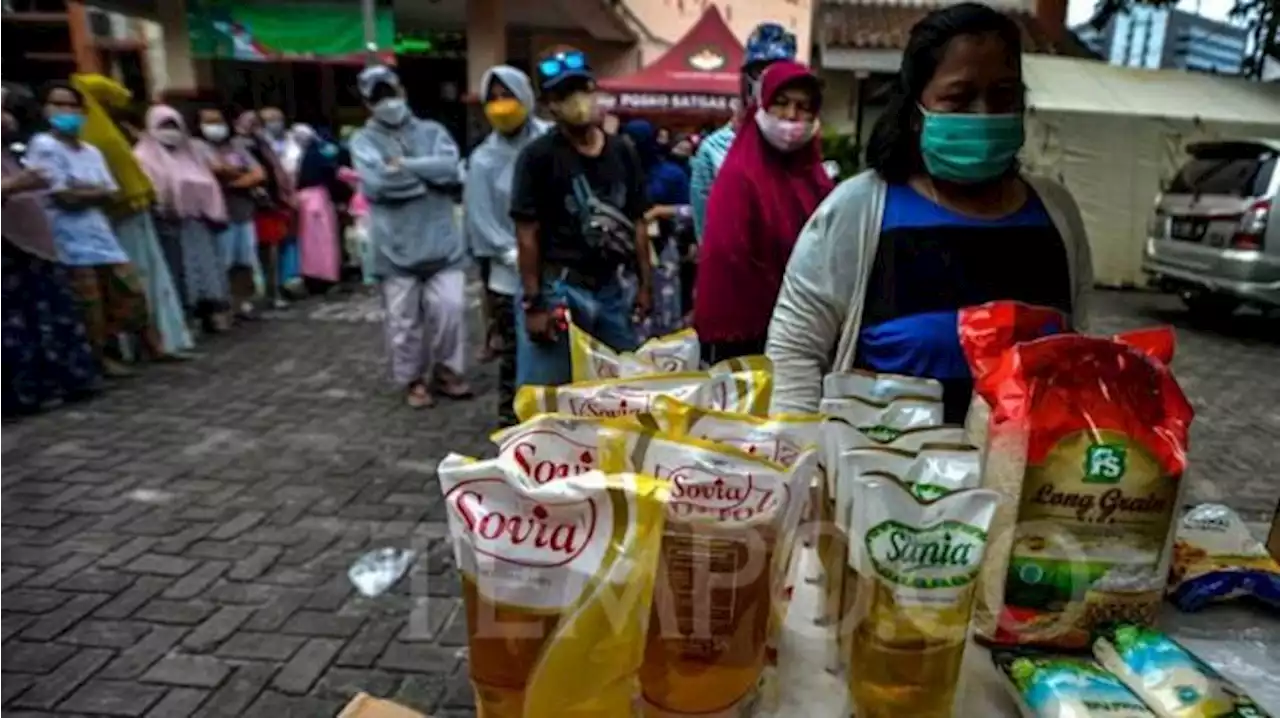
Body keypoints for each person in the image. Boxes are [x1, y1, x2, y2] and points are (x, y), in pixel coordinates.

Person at [766, 3, 1094, 420]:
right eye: (959, 98)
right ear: (916, 111)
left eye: (1003, 95)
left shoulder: (1055, 214)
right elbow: (795, 351)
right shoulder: (860, 210)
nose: (984, 114)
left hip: (1021, 480)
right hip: (882, 476)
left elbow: (1080, 348)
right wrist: (800, 454)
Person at [509, 48, 653, 388]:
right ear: (551, 107)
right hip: (559, 290)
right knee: (548, 398)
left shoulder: (623, 151)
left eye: (583, 89)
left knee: (622, 392)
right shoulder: (537, 157)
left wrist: (646, 285)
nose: (578, 100)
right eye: (564, 94)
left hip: (611, 290)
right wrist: (534, 303)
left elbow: (639, 223)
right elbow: (526, 233)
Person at [695, 61, 833, 365]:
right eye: (781, 103)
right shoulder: (739, 175)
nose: (791, 116)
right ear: (761, 106)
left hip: (803, 330)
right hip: (744, 333)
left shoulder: (814, 177)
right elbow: (729, 254)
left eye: (803, 106)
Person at [350, 65, 472, 409]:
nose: (387, 101)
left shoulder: (433, 130)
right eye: (378, 96)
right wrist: (428, 176)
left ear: (402, 91)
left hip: (442, 245)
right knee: (404, 323)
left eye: (390, 92)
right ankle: (414, 379)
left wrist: (404, 166)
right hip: (394, 248)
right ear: (367, 102)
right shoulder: (363, 140)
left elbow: (452, 170)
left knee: (451, 309)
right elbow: (376, 184)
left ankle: (448, 371)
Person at [27, 82, 155, 377]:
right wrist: (89, 191)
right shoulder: (43, 146)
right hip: (69, 242)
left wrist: (82, 190)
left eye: (73, 106)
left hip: (102, 237)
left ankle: (118, 350)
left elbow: (110, 191)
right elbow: (64, 197)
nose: (67, 112)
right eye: (59, 105)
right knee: (88, 307)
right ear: (45, 109)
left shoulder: (91, 152)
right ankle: (96, 361)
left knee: (128, 295)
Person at [73, 73, 193, 358]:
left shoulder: (104, 133)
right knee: (127, 283)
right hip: (109, 218)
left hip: (133, 210)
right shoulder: (87, 132)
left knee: (146, 279)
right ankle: (128, 346)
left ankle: (157, 340)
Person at [0, 81, 98, 415]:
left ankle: (61, 381)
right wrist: (14, 186)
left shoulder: (11, 152)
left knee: (49, 317)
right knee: (15, 327)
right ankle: (24, 393)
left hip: (33, 252)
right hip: (8, 255)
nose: (7, 119)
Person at [465, 64, 551, 427]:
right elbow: (481, 220)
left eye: (508, 96)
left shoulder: (551, 141)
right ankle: (512, 431)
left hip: (560, 265)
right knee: (517, 356)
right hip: (509, 273)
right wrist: (520, 256)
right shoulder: (482, 160)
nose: (501, 105)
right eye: (493, 98)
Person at [690, 22, 797, 240]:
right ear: (745, 79)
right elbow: (706, 236)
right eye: (760, 71)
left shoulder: (798, 146)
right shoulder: (713, 151)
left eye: (778, 71)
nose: (769, 80)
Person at [134, 105, 234, 334]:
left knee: (207, 270)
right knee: (178, 271)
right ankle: (185, 319)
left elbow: (210, 183)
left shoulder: (191, 154)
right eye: (164, 126)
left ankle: (212, 312)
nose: (170, 132)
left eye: (174, 126)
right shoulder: (143, 156)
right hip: (168, 226)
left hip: (200, 224)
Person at [193, 105, 266, 320]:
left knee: (244, 260)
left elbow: (259, 173)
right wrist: (241, 175)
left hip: (243, 210)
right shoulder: (197, 146)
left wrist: (233, 181)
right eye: (209, 122)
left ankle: (241, 302)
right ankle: (222, 305)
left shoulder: (235, 146)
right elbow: (214, 170)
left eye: (218, 121)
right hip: (218, 214)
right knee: (222, 261)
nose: (215, 126)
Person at [621, 118, 690, 337]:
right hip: (626, 255)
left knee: (665, 316)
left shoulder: (671, 174)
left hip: (663, 253)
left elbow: (691, 210)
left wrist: (660, 211)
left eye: (634, 142)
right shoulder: (619, 172)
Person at [235, 109, 294, 309]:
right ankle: (261, 294)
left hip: (272, 204)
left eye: (258, 123)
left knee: (273, 250)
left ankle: (274, 290)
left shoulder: (263, 144)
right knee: (258, 253)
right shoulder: (238, 146)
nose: (256, 127)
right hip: (254, 205)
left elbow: (275, 171)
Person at [291, 123, 342, 293]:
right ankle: (325, 277)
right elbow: (332, 174)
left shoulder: (302, 156)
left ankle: (312, 276)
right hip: (318, 199)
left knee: (309, 242)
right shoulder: (318, 155)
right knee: (323, 241)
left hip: (303, 200)